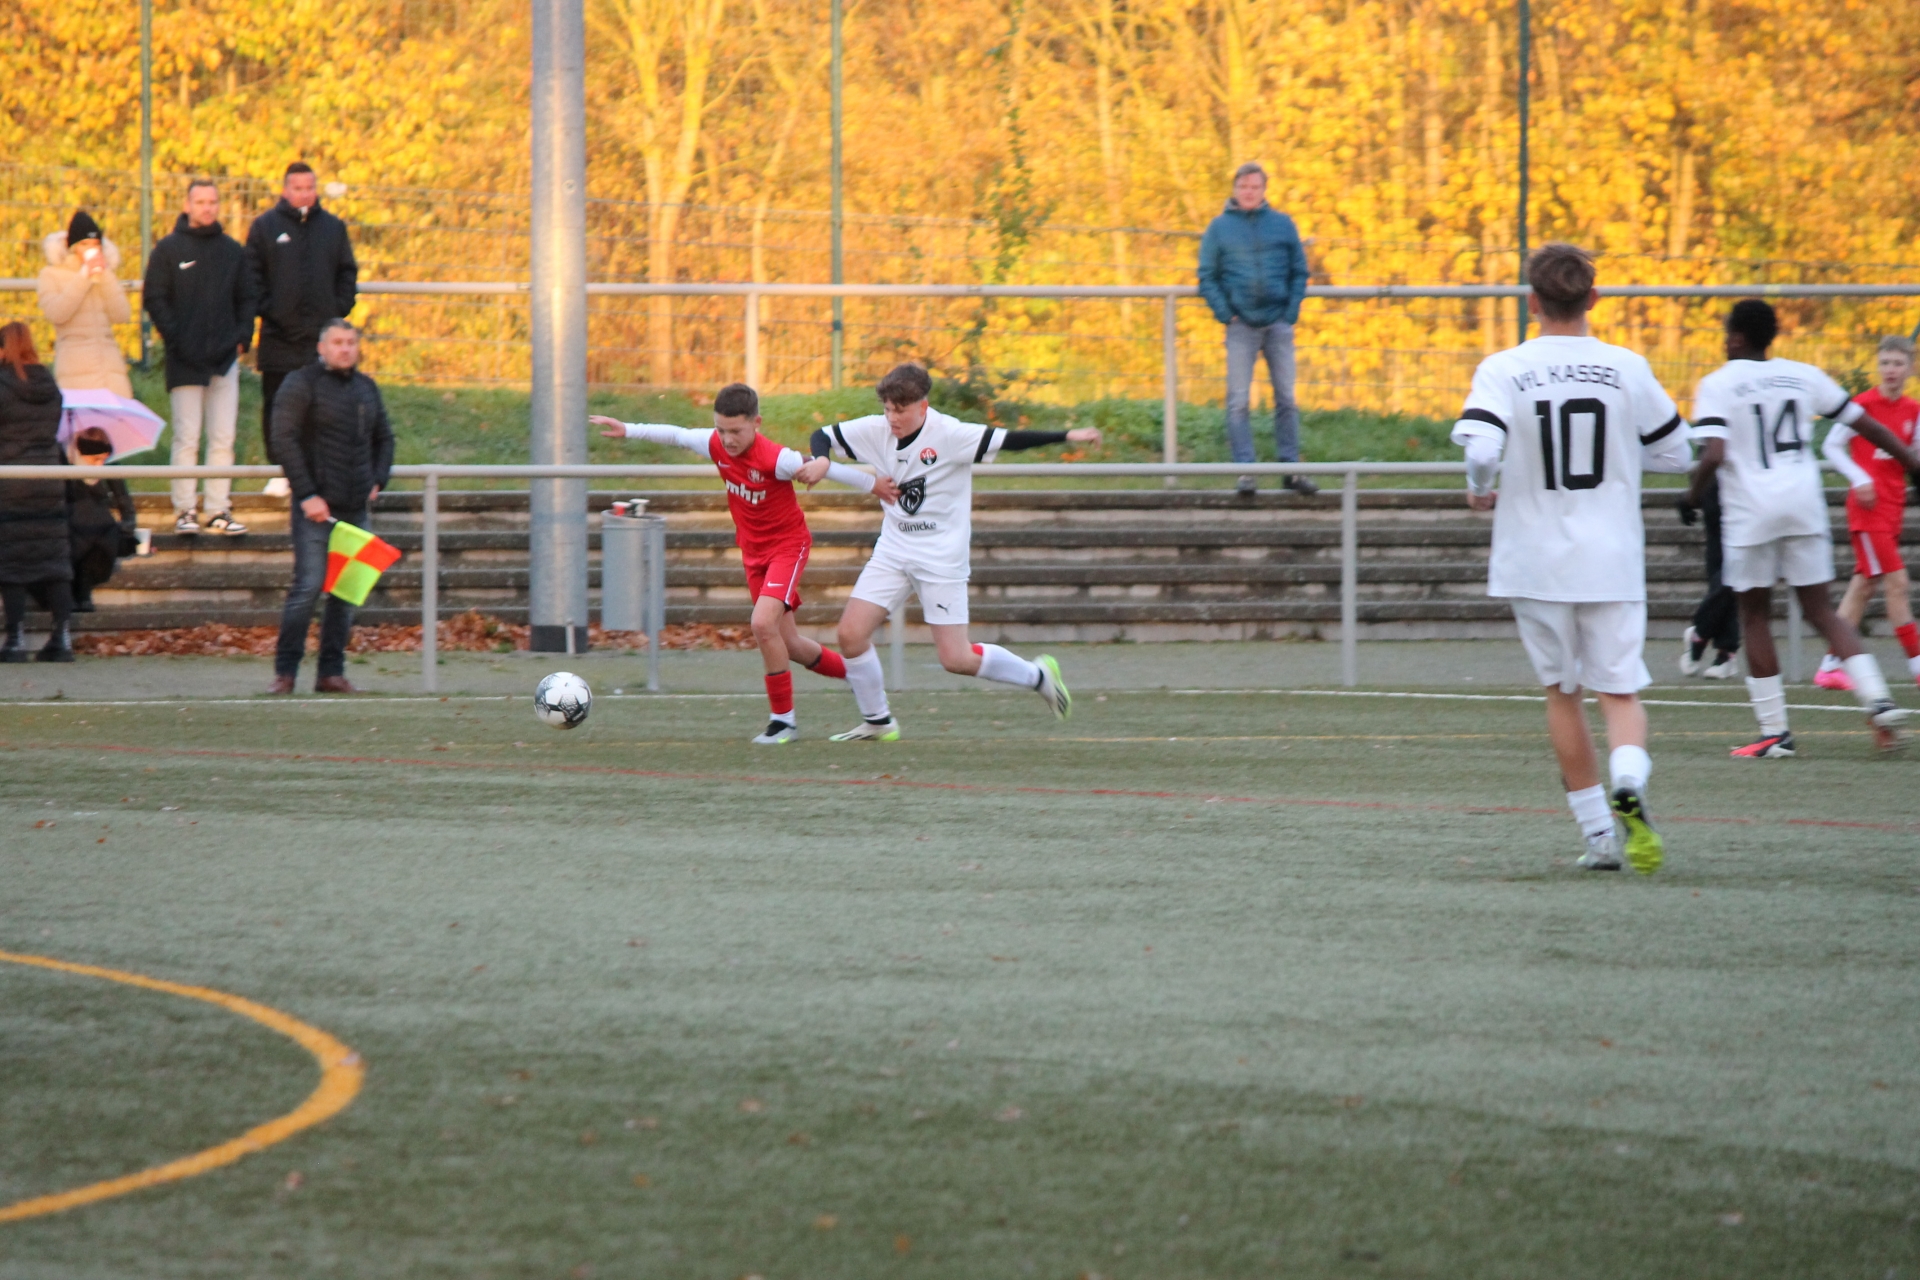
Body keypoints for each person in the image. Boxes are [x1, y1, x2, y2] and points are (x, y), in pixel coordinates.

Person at [1451, 244, 1692, 874]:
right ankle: (1629, 781)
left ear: (1532, 302)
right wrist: (1623, 455)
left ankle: (1598, 837)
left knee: (1563, 692)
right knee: (1620, 691)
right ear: (1594, 299)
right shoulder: (1626, 366)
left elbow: (1482, 449)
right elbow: (1679, 454)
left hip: (1533, 560)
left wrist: (1480, 487)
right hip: (1610, 557)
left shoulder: (1504, 368)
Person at [808, 363, 1101, 740]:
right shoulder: (877, 429)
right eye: (888, 409)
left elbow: (1010, 439)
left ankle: (1037, 675)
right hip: (893, 551)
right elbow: (822, 435)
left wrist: (1068, 435)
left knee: (956, 658)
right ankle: (878, 721)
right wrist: (822, 460)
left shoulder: (950, 434)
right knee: (850, 635)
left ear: (923, 406)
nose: (892, 418)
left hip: (940, 559)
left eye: (901, 410)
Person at [593, 384, 897, 743]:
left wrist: (872, 484)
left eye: (736, 431)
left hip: (787, 548)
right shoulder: (715, 444)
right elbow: (676, 435)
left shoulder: (776, 458)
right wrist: (628, 429)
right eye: (721, 430)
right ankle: (860, 677)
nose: (728, 439)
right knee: (791, 644)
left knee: (762, 624)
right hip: (753, 554)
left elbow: (823, 469)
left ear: (756, 423)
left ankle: (782, 722)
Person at [1684, 300, 1920, 757]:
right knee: (1822, 611)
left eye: (1727, 333)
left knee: (1754, 614)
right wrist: (1913, 463)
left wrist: (1691, 498)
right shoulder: (1802, 374)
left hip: (1751, 511)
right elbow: (1867, 425)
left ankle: (1775, 732)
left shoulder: (1717, 384)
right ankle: (1878, 699)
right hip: (1803, 505)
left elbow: (1714, 453)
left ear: (1737, 337)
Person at [266, 320, 392, 694]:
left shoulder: (367, 387)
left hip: (355, 509)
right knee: (307, 588)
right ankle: (285, 673)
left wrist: (377, 479)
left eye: (351, 342)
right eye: (338, 342)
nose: (345, 348)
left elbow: (385, 438)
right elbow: (283, 438)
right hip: (315, 509)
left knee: (346, 594)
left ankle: (331, 673)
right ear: (321, 348)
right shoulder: (300, 383)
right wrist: (307, 494)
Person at [144, 178, 257, 535]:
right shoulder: (168, 249)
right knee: (187, 436)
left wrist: (241, 339)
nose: (207, 208)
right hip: (184, 359)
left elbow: (248, 297)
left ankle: (218, 508)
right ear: (187, 205)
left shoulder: (232, 251)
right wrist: (177, 339)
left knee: (223, 437)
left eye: (212, 202)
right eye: (200, 202)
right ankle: (185, 510)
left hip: (225, 360)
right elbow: (155, 297)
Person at [1197, 162, 1314, 498]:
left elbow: (1299, 270)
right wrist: (1227, 314)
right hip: (1241, 326)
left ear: (1264, 190)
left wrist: (1290, 312)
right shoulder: (1219, 229)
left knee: (1287, 399)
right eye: (1243, 187)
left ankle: (1290, 470)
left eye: (1255, 187)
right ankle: (1245, 472)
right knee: (1238, 402)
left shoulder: (1283, 224)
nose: (1248, 192)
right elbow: (1207, 275)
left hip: (1278, 323)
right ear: (1235, 190)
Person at [1813, 336, 1919, 691]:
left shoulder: (1913, 410)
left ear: (1910, 368)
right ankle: (1918, 665)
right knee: (1897, 583)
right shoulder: (1861, 405)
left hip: (1893, 506)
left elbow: (1914, 456)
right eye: (1885, 363)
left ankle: (1830, 665)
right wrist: (1859, 478)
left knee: (1864, 585)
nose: (1891, 370)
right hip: (1868, 508)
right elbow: (1831, 445)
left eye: (1898, 363)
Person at [247, 162, 358, 498]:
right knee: (279, 406)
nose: (304, 194)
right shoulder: (265, 227)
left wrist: (337, 309)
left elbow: (347, 272)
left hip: (320, 341)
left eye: (310, 187)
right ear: (285, 190)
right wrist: (274, 312)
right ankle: (281, 472)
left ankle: (321, 473)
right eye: (298, 188)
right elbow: (251, 277)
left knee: (323, 408)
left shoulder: (333, 228)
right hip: (278, 339)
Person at [0, 322, 76, 662]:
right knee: (54, 560)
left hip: (10, 480)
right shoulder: (50, 385)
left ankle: (15, 638)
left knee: (12, 560)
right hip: (48, 478)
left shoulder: (2, 384)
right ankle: (62, 636)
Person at [36, 211, 132, 397]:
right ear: (72, 246)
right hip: (75, 371)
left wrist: (105, 275)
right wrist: (83, 278)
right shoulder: (51, 275)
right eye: (84, 244)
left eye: (96, 244)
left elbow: (122, 315)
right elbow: (56, 313)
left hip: (111, 371)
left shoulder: (105, 274)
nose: (91, 249)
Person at [59, 427, 136, 612]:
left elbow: (123, 499)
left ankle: (82, 591)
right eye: (95, 460)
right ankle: (79, 592)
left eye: (104, 459)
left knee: (98, 528)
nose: (100, 465)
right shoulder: (65, 464)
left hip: (99, 528)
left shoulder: (110, 466)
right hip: (74, 524)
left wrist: (128, 524)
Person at [1675, 474, 1741, 678]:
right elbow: (1712, 457)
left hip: (1745, 480)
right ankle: (1725, 652)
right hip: (1729, 479)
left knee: (1734, 573)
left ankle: (1701, 635)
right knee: (1726, 570)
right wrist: (1692, 494)